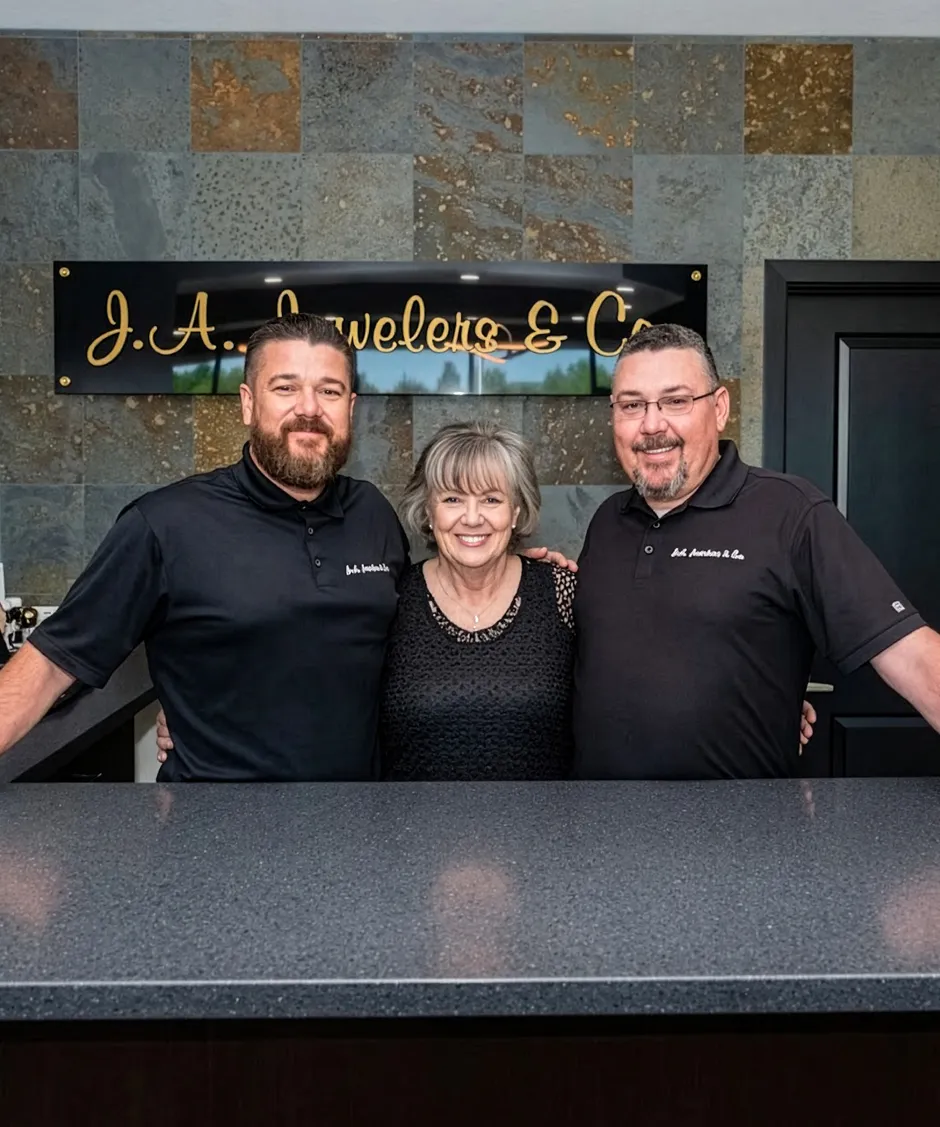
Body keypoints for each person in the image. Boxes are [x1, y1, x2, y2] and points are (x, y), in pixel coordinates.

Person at [0, 313, 568, 779]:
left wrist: (521, 570)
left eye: (329, 390)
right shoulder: (165, 523)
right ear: (248, 403)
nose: (309, 408)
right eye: (285, 387)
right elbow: (48, 667)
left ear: (351, 408)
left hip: (362, 837)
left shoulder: (371, 512)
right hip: (213, 839)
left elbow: (415, 631)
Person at [572, 323, 940, 779]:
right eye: (632, 405)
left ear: (720, 407)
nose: (652, 424)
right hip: (600, 835)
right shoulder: (608, 522)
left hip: (743, 841)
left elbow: (915, 658)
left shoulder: (791, 513)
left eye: (676, 400)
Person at [379, 422, 577, 780]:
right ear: (428, 510)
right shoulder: (392, 598)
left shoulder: (562, 592)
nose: (472, 518)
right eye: (453, 499)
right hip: (412, 831)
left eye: (491, 499)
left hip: (544, 831)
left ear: (515, 512)